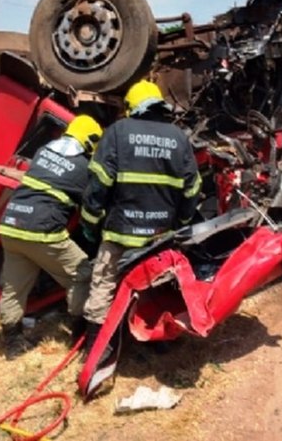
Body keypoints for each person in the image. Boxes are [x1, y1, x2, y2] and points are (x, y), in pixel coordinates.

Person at [79, 79, 201, 359]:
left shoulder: (118, 131)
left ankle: (98, 350)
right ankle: (156, 339)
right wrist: (180, 224)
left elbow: (98, 184)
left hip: (119, 233)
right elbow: (192, 190)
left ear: (132, 106)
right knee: (153, 287)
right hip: (159, 238)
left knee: (103, 287)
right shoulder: (179, 138)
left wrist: (90, 224)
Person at [0, 114, 103, 360]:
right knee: (82, 274)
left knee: (15, 286)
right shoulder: (83, 167)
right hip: (41, 230)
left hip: (11, 225)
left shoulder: (44, 151)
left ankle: (12, 342)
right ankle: (80, 332)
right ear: (90, 141)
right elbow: (91, 205)